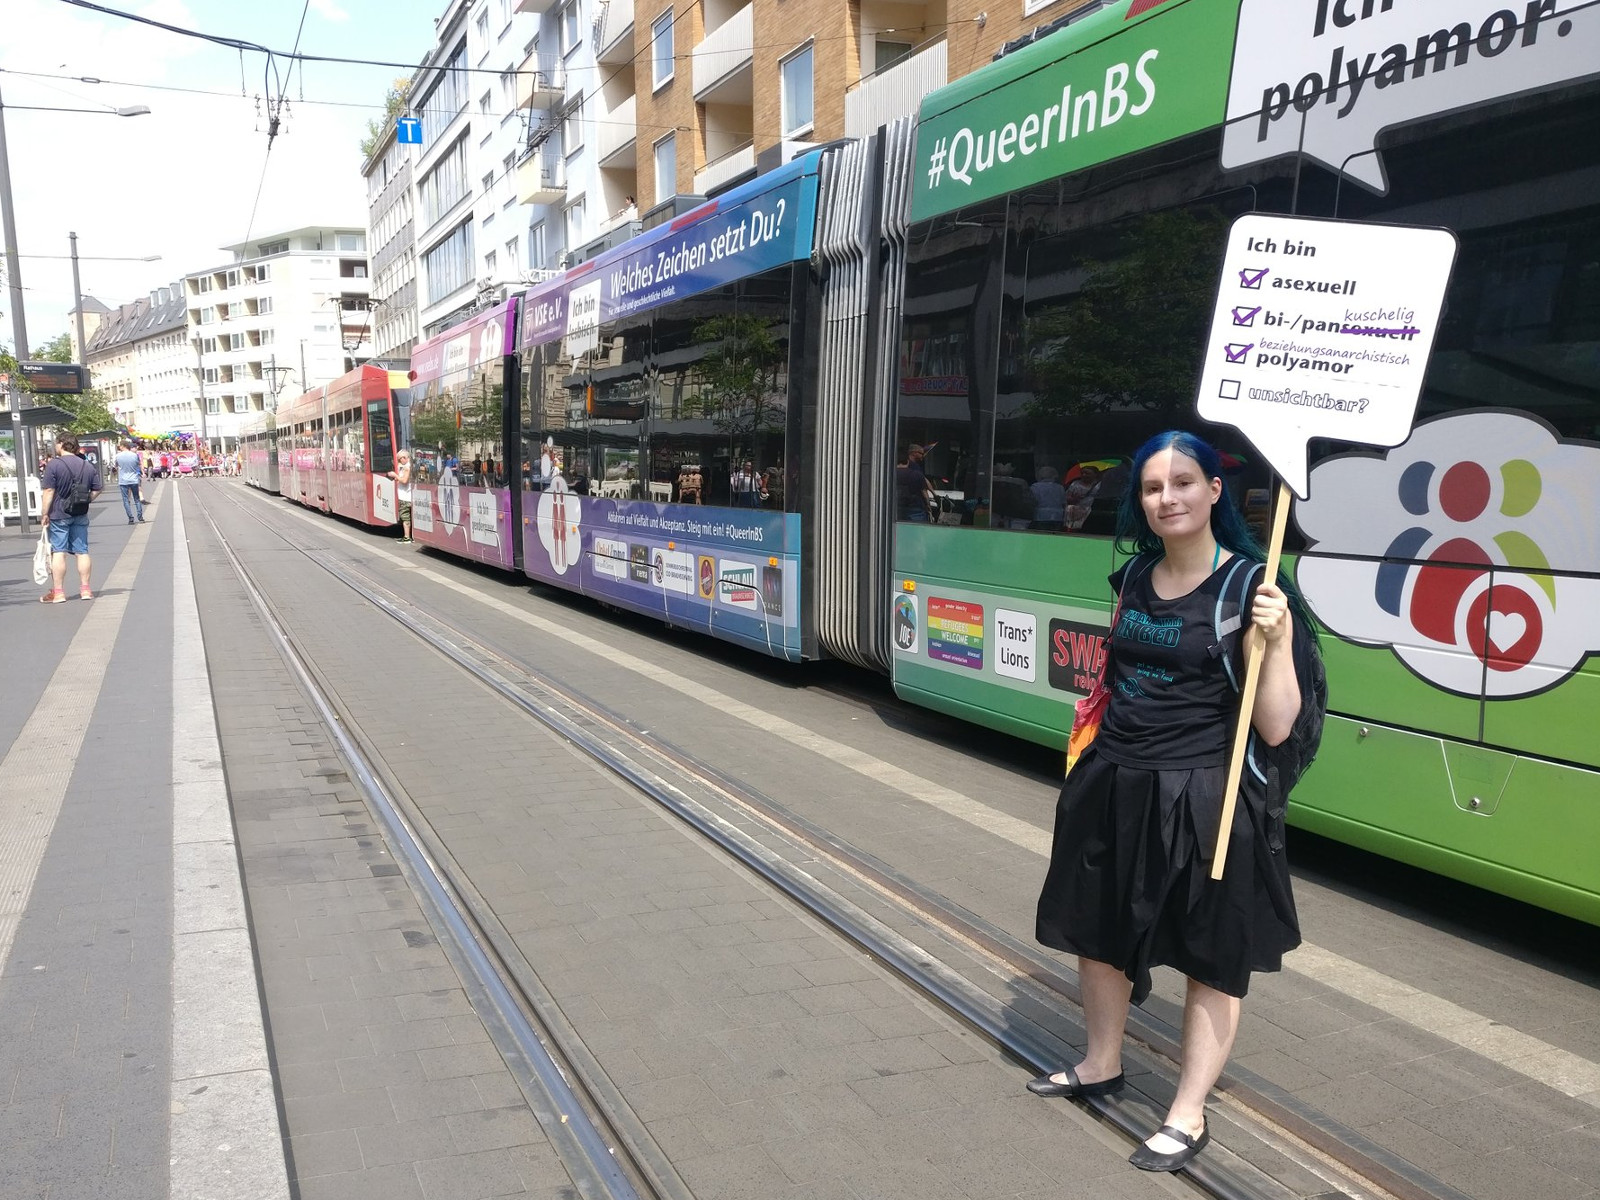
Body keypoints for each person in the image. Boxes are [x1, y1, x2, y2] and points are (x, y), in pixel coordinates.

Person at [1030, 430, 1325, 1173]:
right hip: (1117, 782)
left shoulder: (1250, 589)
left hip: (1205, 798)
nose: (1168, 498)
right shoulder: (1132, 579)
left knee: (1210, 955)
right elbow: (1114, 675)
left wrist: (1279, 638)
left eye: (1184, 483)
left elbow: (1279, 722)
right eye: (1154, 487)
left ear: (1215, 492)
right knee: (1098, 936)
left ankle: (1187, 1111)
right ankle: (1101, 1061)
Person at [39, 433, 104, 603]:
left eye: (56, 444)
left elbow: (49, 491)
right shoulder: (86, 465)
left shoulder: (54, 465)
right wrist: (86, 500)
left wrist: (44, 513)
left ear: (61, 444)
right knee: (82, 551)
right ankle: (85, 590)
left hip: (59, 514)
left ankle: (59, 592)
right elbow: (97, 488)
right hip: (80, 512)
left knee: (59, 551)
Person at [895, 444, 935, 522]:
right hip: (915, 509)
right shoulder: (916, 474)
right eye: (921, 453)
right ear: (907, 461)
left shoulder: (888, 474)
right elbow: (924, 492)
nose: (923, 456)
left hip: (896, 507)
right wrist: (928, 506)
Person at [114, 439, 146, 525]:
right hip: (134, 479)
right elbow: (137, 464)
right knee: (136, 499)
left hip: (123, 480)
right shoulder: (134, 455)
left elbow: (116, 466)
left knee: (126, 499)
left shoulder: (118, 456)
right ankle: (140, 517)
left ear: (122, 446)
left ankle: (130, 518)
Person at [388, 449, 414, 543]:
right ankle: (407, 536)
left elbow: (404, 481)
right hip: (405, 495)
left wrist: (396, 475)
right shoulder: (406, 466)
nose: (399, 461)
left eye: (399, 459)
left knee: (405, 516)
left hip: (405, 496)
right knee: (405, 516)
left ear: (404, 458)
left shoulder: (407, 467)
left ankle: (407, 537)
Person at [1030, 465, 1067, 530]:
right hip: (1058, 517)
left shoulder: (1035, 487)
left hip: (1041, 517)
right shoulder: (1060, 487)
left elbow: (1032, 502)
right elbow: (1064, 503)